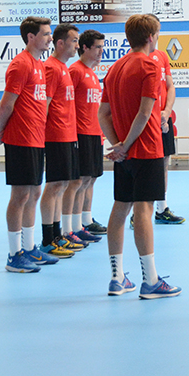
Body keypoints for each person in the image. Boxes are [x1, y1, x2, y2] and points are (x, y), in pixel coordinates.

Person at [99, 14, 181, 298]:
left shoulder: (115, 68)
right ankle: (150, 280)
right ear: (150, 37)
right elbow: (146, 113)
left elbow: (103, 114)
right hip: (145, 149)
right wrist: (126, 144)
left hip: (125, 154)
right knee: (144, 209)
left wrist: (117, 144)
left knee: (120, 208)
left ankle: (116, 277)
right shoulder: (149, 65)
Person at [0, 16, 56, 273]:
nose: (50, 38)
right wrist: (0, 130)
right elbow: (7, 103)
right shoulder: (20, 65)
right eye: (45, 34)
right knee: (20, 195)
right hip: (20, 138)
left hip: (36, 137)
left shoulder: (39, 65)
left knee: (34, 193)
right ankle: (13, 254)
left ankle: (30, 247)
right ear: (31, 37)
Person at [38, 23, 84, 259]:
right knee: (54, 185)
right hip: (55, 135)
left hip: (68, 134)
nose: (77, 45)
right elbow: (43, 106)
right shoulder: (51, 68)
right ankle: (48, 239)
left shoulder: (63, 68)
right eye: (74, 40)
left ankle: (57, 235)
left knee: (63, 185)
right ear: (60, 43)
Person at [69, 29, 108, 237]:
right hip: (80, 132)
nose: (102, 51)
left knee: (92, 178)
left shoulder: (93, 74)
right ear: (84, 48)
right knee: (81, 180)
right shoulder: (75, 71)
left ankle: (86, 219)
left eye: (103, 47)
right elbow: (66, 103)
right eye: (98, 47)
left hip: (95, 132)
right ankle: (76, 225)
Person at [148, 16, 185, 224]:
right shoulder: (135, 58)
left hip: (163, 118)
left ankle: (161, 209)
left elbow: (170, 86)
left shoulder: (162, 56)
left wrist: (167, 111)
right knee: (146, 164)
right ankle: (139, 210)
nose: (158, 35)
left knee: (164, 162)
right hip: (147, 120)